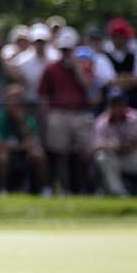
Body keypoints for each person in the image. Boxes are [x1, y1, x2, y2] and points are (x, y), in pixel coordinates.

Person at [38, 27, 95, 195]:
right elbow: (43, 96)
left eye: (68, 50)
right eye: (63, 50)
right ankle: (65, 189)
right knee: (60, 154)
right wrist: (45, 119)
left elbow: (88, 86)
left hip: (80, 113)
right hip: (58, 113)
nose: (65, 54)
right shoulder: (51, 69)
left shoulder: (83, 66)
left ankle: (84, 189)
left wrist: (77, 69)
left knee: (83, 154)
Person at [0, 84, 49, 194]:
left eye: (19, 99)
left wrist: (21, 123)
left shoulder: (28, 119)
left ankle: (43, 189)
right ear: (6, 100)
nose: (16, 102)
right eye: (12, 99)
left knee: (38, 154)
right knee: (3, 155)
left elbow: (32, 142)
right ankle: (2, 189)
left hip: (22, 154)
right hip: (4, 155)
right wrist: (20, 146)